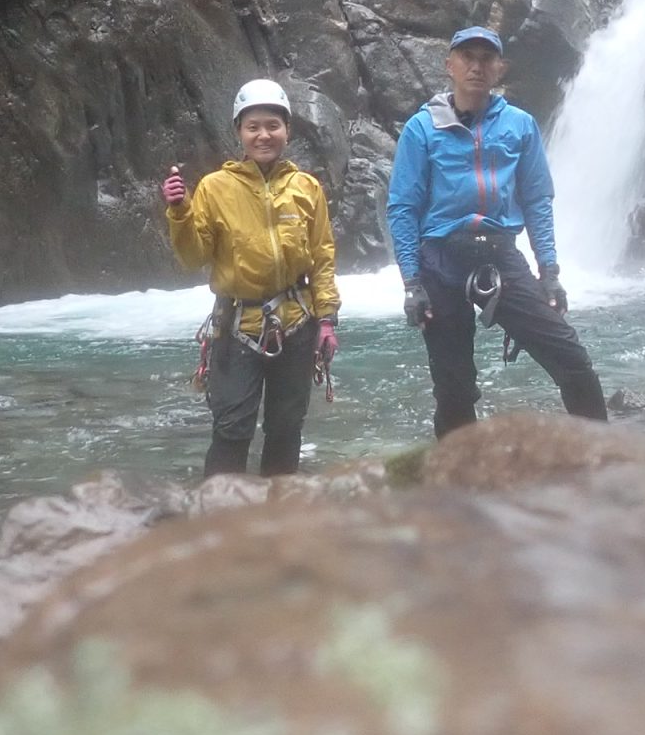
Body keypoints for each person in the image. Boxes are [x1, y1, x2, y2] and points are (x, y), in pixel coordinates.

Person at [388, 26, 606, 437]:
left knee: (571, 358)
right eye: (467, 56)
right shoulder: (421, 129)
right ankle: (458, 484)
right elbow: (403, 206)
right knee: (454, 388)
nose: (476, 66)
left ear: (499, 68)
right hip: (440, 259)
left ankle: (602, 458)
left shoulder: (519, 125)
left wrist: (550, 272)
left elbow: (537, 199)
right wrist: (412, 282)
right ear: (448, 65)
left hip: (500, 256)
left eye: (486, 58)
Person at [162, 78, 340, 478]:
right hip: (237, 325)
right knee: (231, 430)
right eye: (253, 126)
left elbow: (323, 257)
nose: (264, 135)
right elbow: (193, 256)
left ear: (287, 130)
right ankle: (222, 522)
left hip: (295, 323)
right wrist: (180, 212)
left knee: (286, 429)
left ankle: (275, 523)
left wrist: (327, 319)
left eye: (273, 126)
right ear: (239, 132)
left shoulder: (305, 188)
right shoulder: (214, 188)